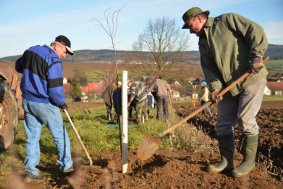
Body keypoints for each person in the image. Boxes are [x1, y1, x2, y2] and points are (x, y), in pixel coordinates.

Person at [182, 7, 268, 177]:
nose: (191, 31)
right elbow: (209, 69)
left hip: (251, 78)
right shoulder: (202, 42)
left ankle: (248, 162)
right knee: (222, 123)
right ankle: (226, 161)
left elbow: (255, 30)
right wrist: (215, 88)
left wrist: (256, 55)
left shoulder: (227, 20)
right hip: (228, 86)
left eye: (190, 25)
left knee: (246, 119)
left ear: (199, 18)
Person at [15, 35, 74, 181]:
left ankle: (31, 171)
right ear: (57, 46)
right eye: (65, 52)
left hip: (28, 101)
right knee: (60, 134)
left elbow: (18, 66)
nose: (64, 56)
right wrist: (61, 102)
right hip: (44, 102)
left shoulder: (30, 51)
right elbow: (55, 90)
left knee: (32, 137)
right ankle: (66, 166)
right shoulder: (53, 60)